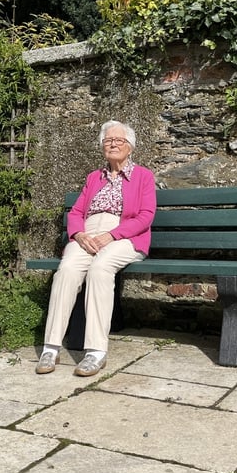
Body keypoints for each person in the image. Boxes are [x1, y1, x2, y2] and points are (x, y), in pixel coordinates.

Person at [36, 120, 157, 377]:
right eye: (107, 140)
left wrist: (112, 235)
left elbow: (146, 216)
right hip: (87, 235)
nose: (112, 144)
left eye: (119, 140)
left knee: (100, 269)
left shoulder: (143, 176)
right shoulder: (94, 177)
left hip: (125, 236)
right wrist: (78, 234)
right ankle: (51, 346)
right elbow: (77, 212)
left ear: (131, 147)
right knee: (67, 270)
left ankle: (96, 352)